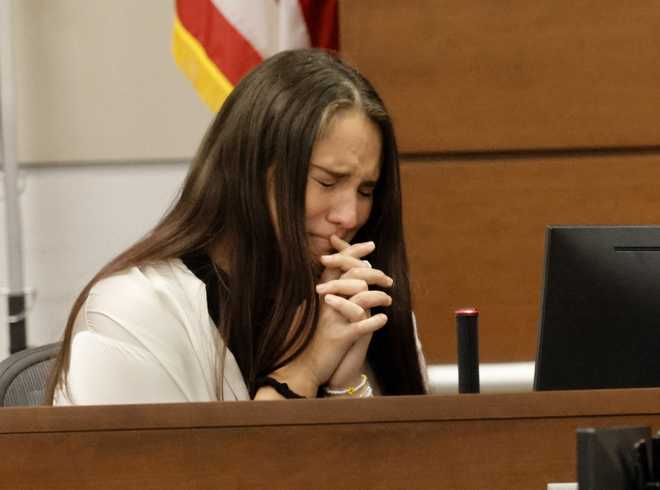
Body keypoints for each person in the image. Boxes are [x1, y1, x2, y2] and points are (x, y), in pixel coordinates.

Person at [47, 49, 428, 405]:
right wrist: (302, 373)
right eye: (327, 182)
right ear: (250, 171)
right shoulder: (138, 310)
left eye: (366, 190)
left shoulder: (361, 299)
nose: (350, 216)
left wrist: (346, 385)